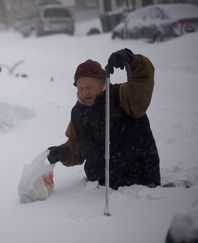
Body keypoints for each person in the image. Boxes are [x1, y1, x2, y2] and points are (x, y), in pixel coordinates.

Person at [46, 48, 160, 190]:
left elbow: (142, 79)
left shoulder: (124, 95)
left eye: (89, 87)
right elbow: (77, 145)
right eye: (80, 88)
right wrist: (64, 152)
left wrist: (132, 61)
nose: (85, 93)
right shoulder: (78, 112)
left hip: (140, 187)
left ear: (101, 83)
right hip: (99, 189)